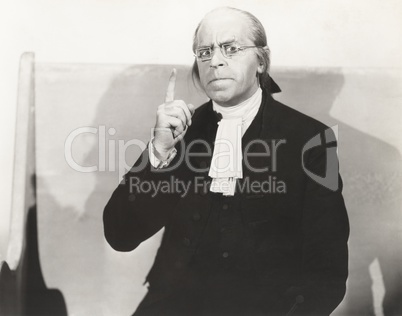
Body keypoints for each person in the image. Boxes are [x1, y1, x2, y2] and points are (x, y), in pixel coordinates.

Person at [103, 7, 349, 316]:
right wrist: (158, 153)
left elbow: (327, 273)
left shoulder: (312, 139)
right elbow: (120, 235)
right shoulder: (179, 132)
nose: (216, 60)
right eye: (204, 52)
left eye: (231, 48)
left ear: (261, 60)